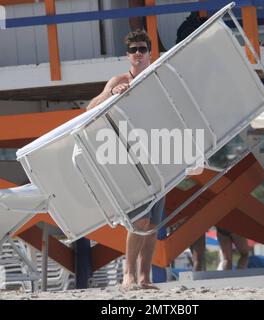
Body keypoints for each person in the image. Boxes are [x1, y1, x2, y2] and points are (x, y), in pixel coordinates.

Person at [86, 29, 164, 290]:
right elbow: (90, 108)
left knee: (153, 224)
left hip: (160, 156)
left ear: (150, 52)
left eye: (142, 49)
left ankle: (145, 277)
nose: (138, 54)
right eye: (134, 50)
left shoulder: (158, 76)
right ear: (127, 55)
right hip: (130, 158)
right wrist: (112, 93)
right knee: (138, 220)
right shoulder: (120, 79)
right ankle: (128, 275)